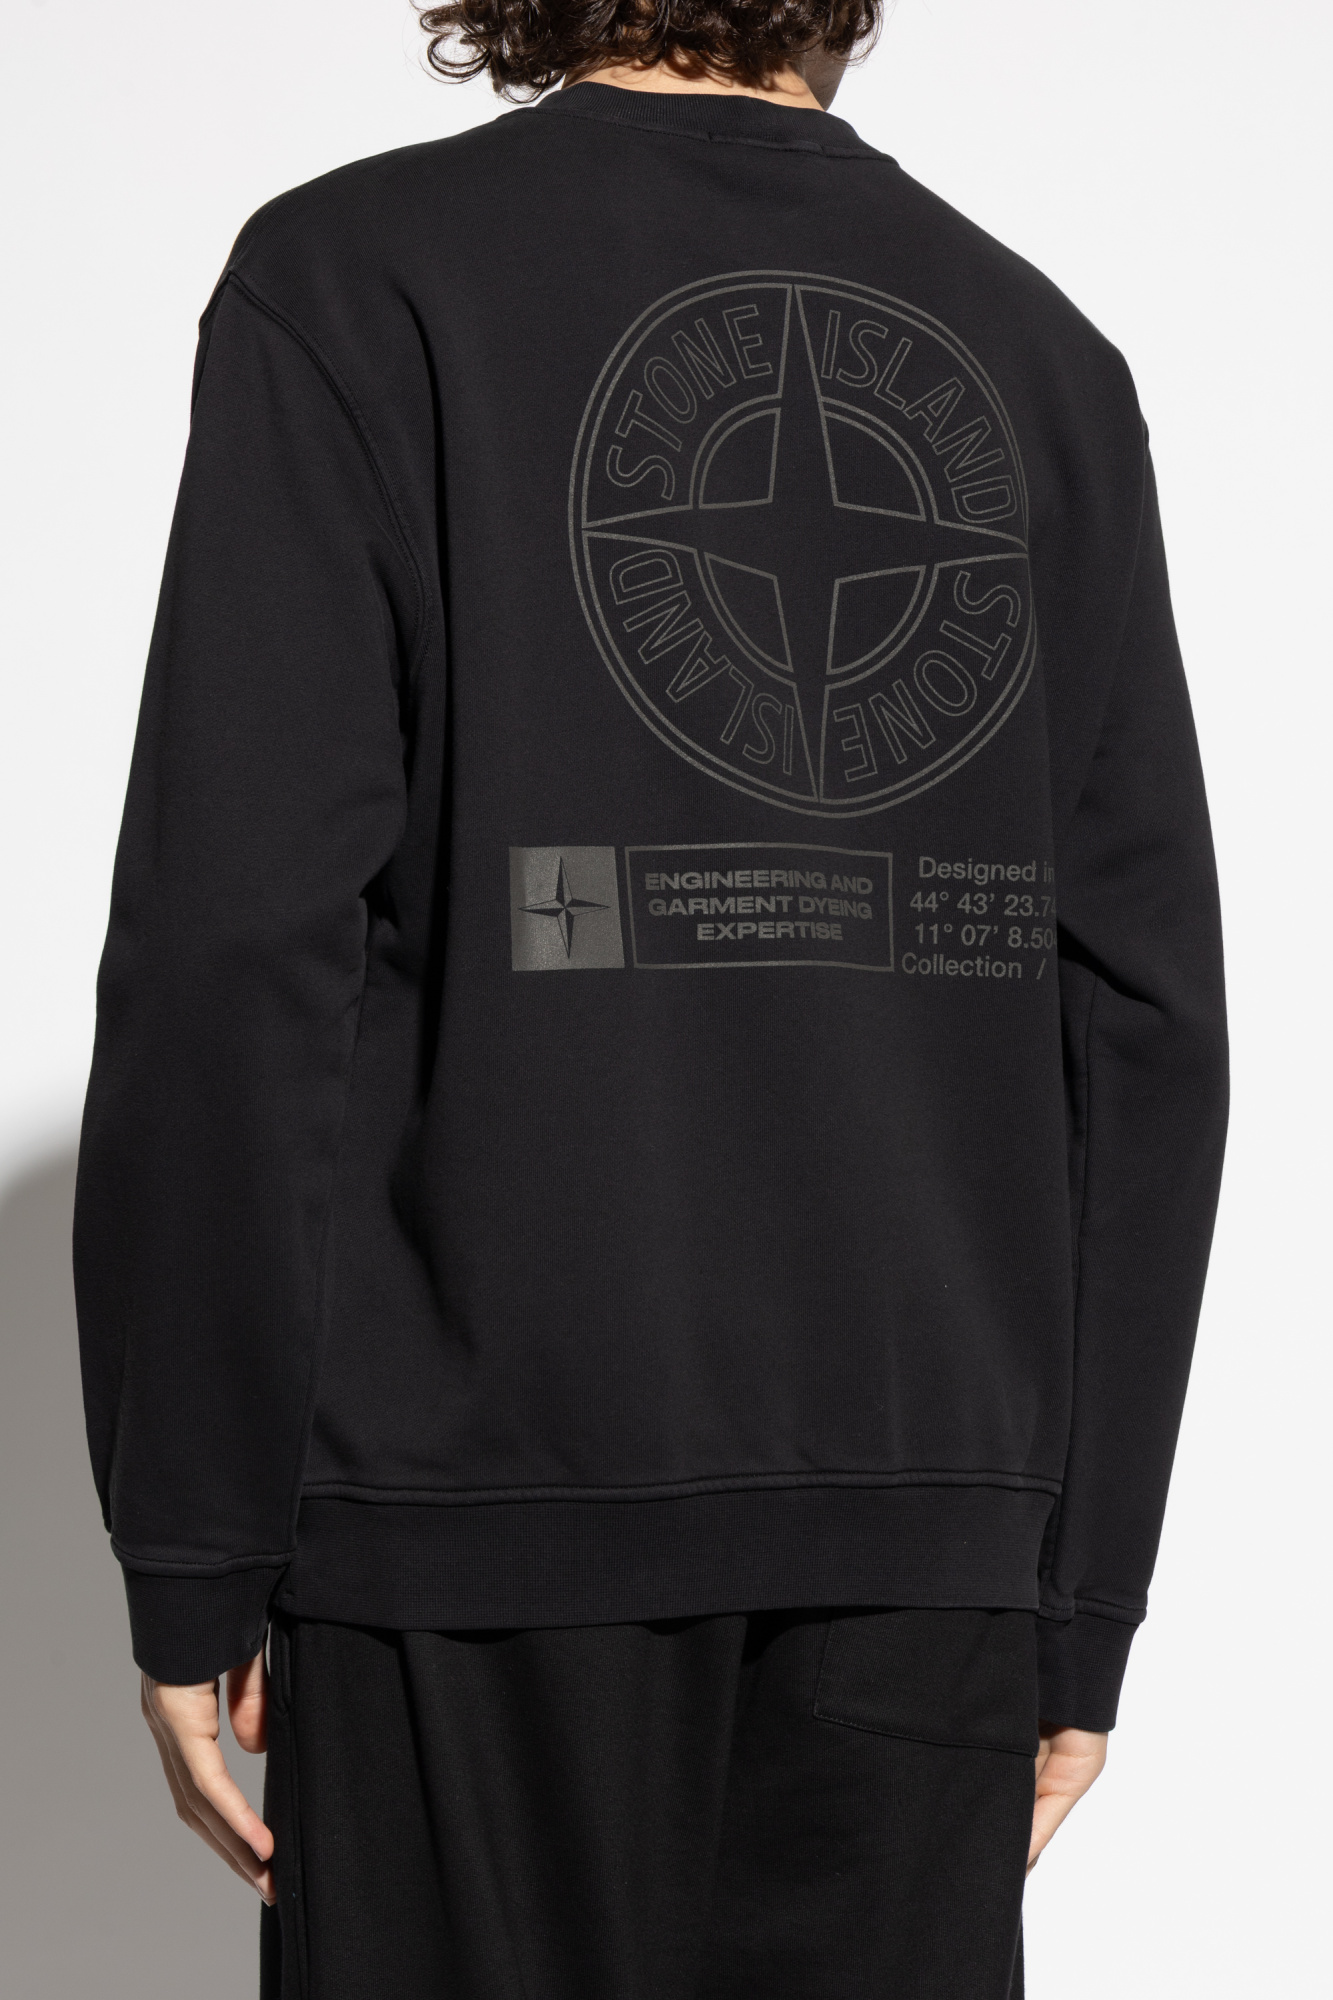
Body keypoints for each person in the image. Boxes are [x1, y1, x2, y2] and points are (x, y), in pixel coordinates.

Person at [73, 0, 1229, 1993]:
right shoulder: (1036, 351)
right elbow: (1142, 1019)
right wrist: (1074, 1593)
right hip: (923, 1537)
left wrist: (191, 1543)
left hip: (475, 1519)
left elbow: (236, 945)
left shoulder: (360, 278)